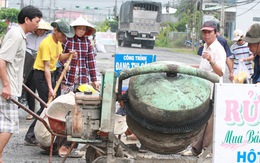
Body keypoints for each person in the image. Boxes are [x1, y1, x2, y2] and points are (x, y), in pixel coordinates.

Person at [0, 5, 42, 163]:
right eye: (36, 21)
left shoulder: (19, 35)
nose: (38, 25)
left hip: (12, 86)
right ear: (27, 19)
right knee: (10, 125)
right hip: (7, 89)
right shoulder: (16, 36)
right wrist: (6, 85)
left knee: (4, 124)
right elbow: (1, 60)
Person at [24, 20, 76, 146]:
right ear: (55, 31)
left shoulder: (57, 43)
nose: (64, 38)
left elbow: (59, 57)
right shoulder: (46, 43)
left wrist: (69, 54)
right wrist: (50, 88)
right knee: (45, 106)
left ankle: (45, 133)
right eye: (62, 35)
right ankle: (30, 136)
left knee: (53, 105)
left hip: (51, 74)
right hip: (41, 75)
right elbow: (46, 67)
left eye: (65, 36)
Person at [57, 16, 99, 157]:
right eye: (79, 28)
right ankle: (60, 143)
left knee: (78, 111)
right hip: (68, 80)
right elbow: (59, 57)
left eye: (83, 29)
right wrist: (64, 65)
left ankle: (70, 144)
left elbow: (91, 62)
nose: (81, 31)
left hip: (81, 81)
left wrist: (94, 80)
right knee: (65, 109)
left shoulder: (87, 43)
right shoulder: (67, 40)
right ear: (74, 29)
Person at [191, 20, 226, 156]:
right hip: (203, 89)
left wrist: (211, 60)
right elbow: (202, 68)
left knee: (210, 122)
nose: (206, 35)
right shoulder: (205, 46)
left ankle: (207, 151)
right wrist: (188, 67)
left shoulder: (218, 50)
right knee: (201, 119)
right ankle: (196, 149)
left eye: (209, 32)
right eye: (204, 32)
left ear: (216, 33)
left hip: (213, 90)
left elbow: (220, 72)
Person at [24, 19, 52, 120]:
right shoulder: (28, 37)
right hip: (29, 65)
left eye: (42, 30)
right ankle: (31, 111)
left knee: (41, 90)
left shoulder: (47, 39)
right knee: (30, 88)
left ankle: (42, 110)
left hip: (41, 66)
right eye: (39, 29)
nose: (40, 31)